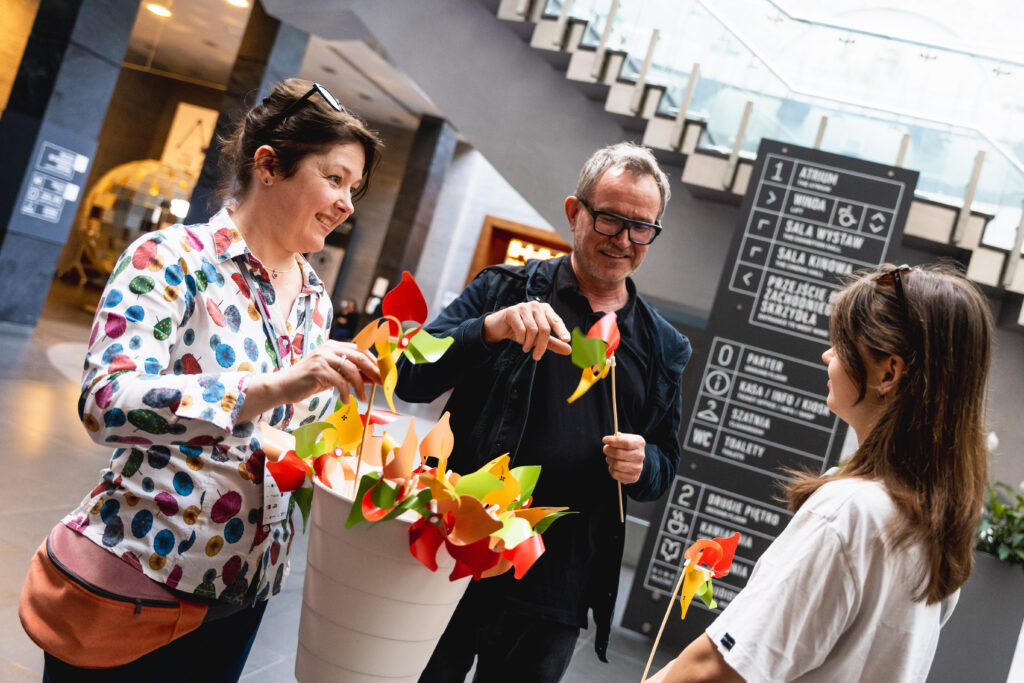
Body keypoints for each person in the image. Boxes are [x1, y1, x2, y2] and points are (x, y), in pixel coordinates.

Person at [25, 79, 384, 681]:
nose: (348, 203)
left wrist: (362, 463)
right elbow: (104, 401)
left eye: (355, 188)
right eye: (335, 178)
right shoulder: (168, 259)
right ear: (268, 165)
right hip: (140, 572)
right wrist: (266, 388)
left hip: (246, 586)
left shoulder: (316, 302)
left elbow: (298, 440)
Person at [396, 142, 692, 681]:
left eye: (641, 227)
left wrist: (642, 465)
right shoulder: (503, 289)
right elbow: (412, 374)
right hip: (460, 546)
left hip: (559, 578)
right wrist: (489, 328)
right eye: (609, 218)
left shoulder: (663, 345)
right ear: (575, 212)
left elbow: (663, 466)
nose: (623, 240)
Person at [647, 263, 992, 682]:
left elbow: (718, 670)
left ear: (888, 373)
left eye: (841, 344)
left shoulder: (850, 511)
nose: (827, 355)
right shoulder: (934, 521)